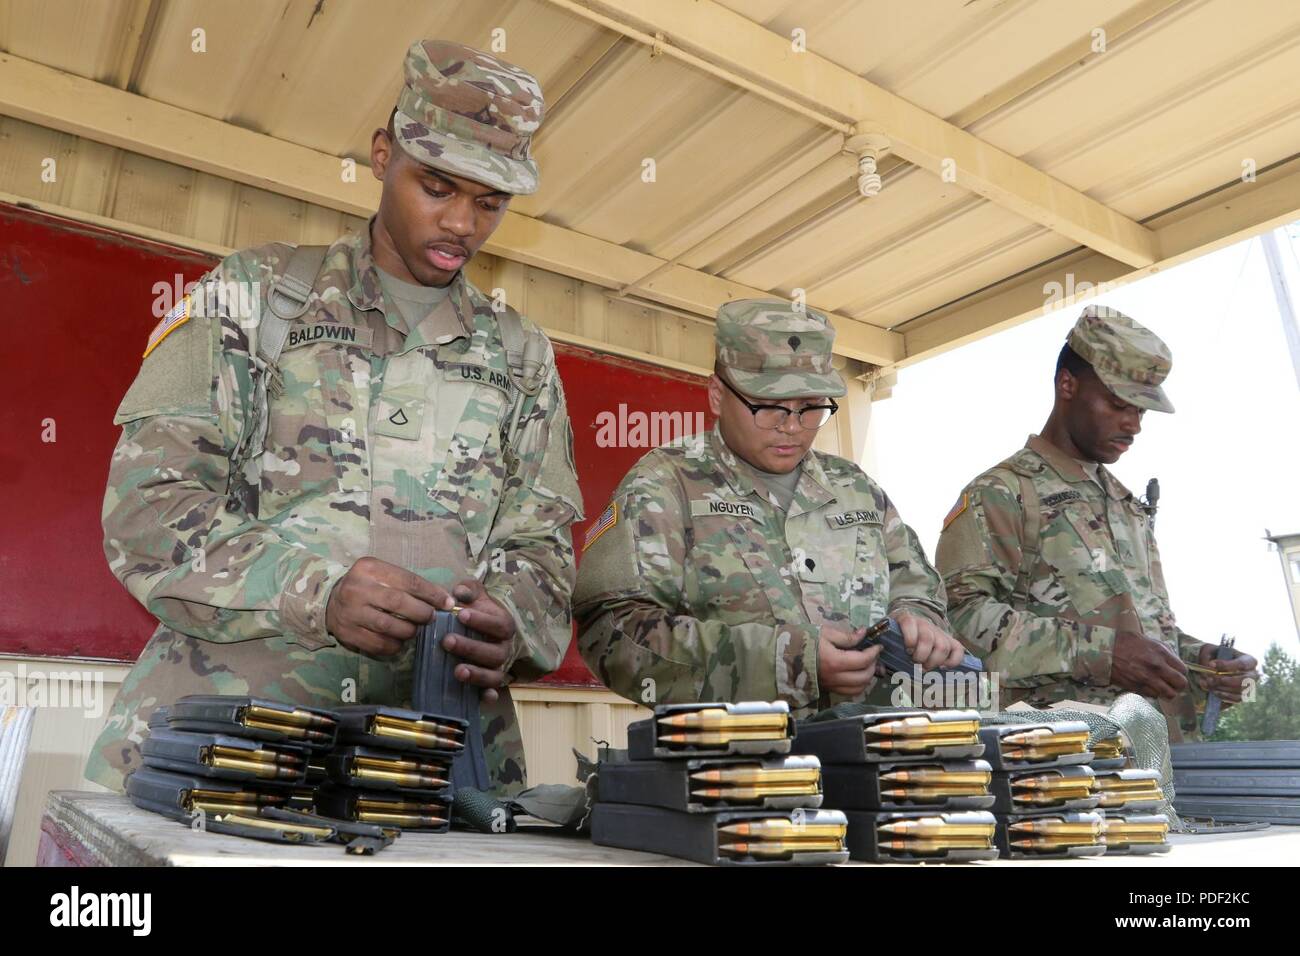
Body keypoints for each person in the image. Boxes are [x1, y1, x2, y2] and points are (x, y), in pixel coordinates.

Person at [86, 40, 583, 795]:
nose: (461, 225)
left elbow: (543, 553)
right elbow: (148, 515)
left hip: (441, 766)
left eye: (490, 202)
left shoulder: (522, 355)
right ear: (383, 155)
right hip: (236, 746)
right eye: (438, 186)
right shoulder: (255, 297)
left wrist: (511, 621)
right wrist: (316, 589)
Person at [573, 299, 964, 715]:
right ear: (718, 395)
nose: (792, 427)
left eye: (811, 407)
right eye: (769, 406)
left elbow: (919, 591)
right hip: (739, 769)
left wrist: (919, 622)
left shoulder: (857, 488)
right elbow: (614, 637)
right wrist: (784, 662)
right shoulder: (664, 486)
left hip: (876, 758)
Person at [935, 305, 1257, 741]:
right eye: (1119, 404)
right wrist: (1099, 653)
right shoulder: (1003, 493)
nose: (1133, 425)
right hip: (1062, 768)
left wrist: (1202, 662)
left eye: (1142, 411)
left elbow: (1140, 635)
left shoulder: (1125, 505)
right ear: (1067, 384)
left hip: (1160, 763)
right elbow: (958, 623)